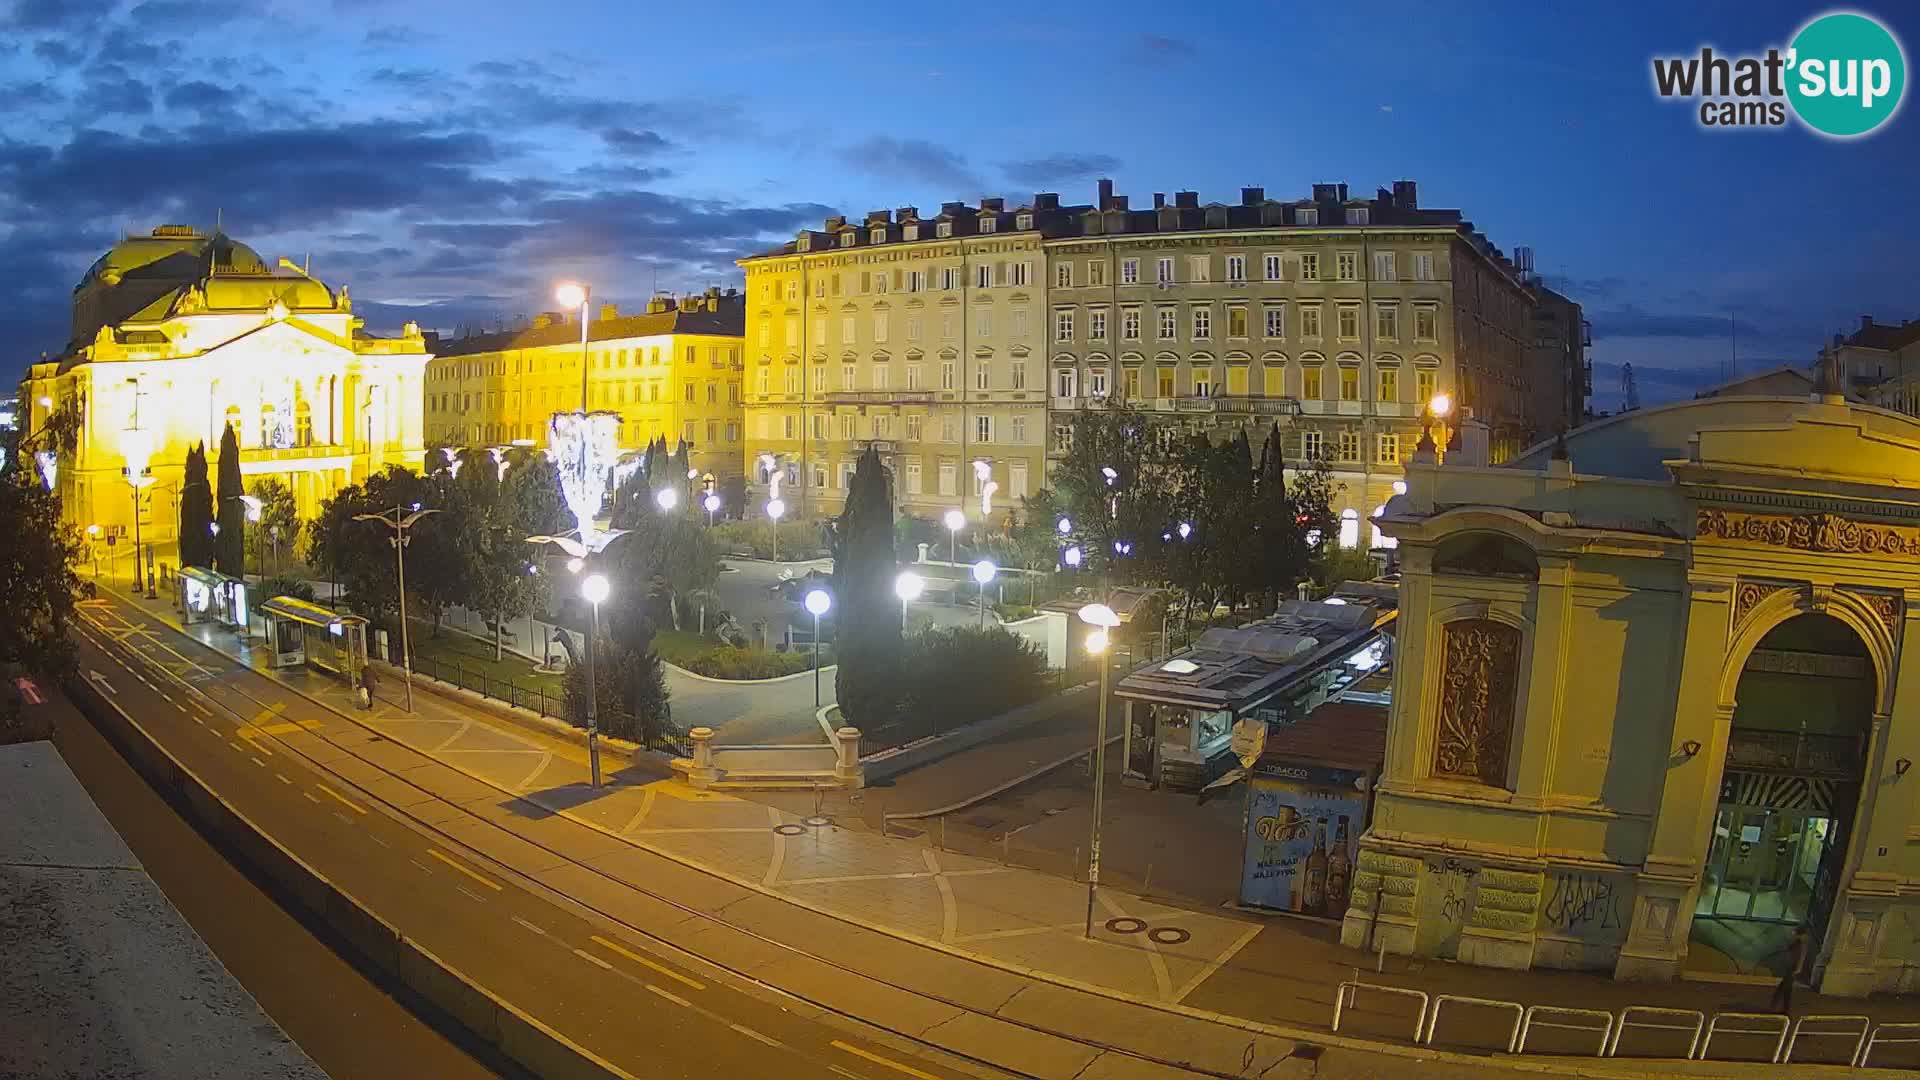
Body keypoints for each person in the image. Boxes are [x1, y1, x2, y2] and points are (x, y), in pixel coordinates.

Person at [1769, 925, 1810, 1013]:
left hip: (1793, 969)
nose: (1793, 934)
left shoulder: (1801, 944)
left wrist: (1798, 968)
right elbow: (1789, 949)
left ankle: (1780, 1008)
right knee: (1784, 988)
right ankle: (1778, 1007)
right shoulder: (1797, 942)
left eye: (1795, 933)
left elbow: (1802, 957)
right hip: (1791, 968)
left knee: (1785, 989)